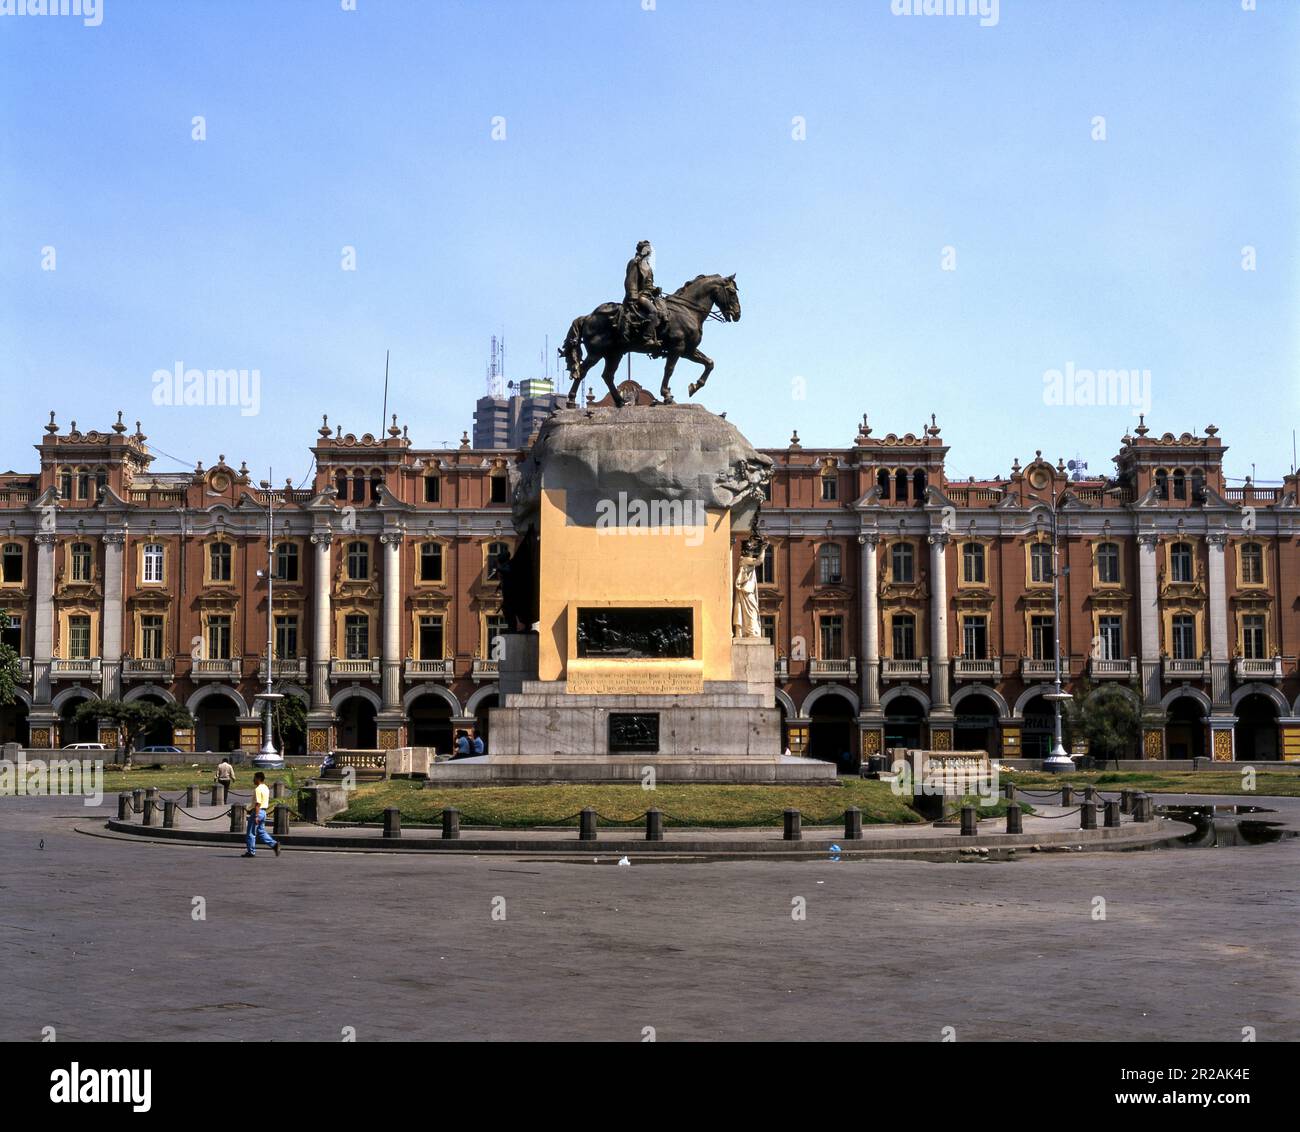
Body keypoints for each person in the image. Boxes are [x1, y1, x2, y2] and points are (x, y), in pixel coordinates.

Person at [623, 239, 663, 354]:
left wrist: (655, 290)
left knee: (664, 310)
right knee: (653, 312)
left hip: (649, 295)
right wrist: (632, 297)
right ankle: (647, 338)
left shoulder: (648, 266)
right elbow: (631, 281)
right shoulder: (635, 262)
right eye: (648, 248)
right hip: (639, 296)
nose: (650, 250)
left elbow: (649, 285)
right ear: (643, 249)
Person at [242, 771, 280, 858]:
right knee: (261, 832)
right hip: (263, 812)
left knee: (251, 833)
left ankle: (251, 851)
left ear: (258, 779)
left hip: (257, 812)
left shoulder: (258, 789)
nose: (253, 780)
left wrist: (255, 815)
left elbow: (258, 803)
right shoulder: (266, 788)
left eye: (254, 778)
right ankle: (274, 844)